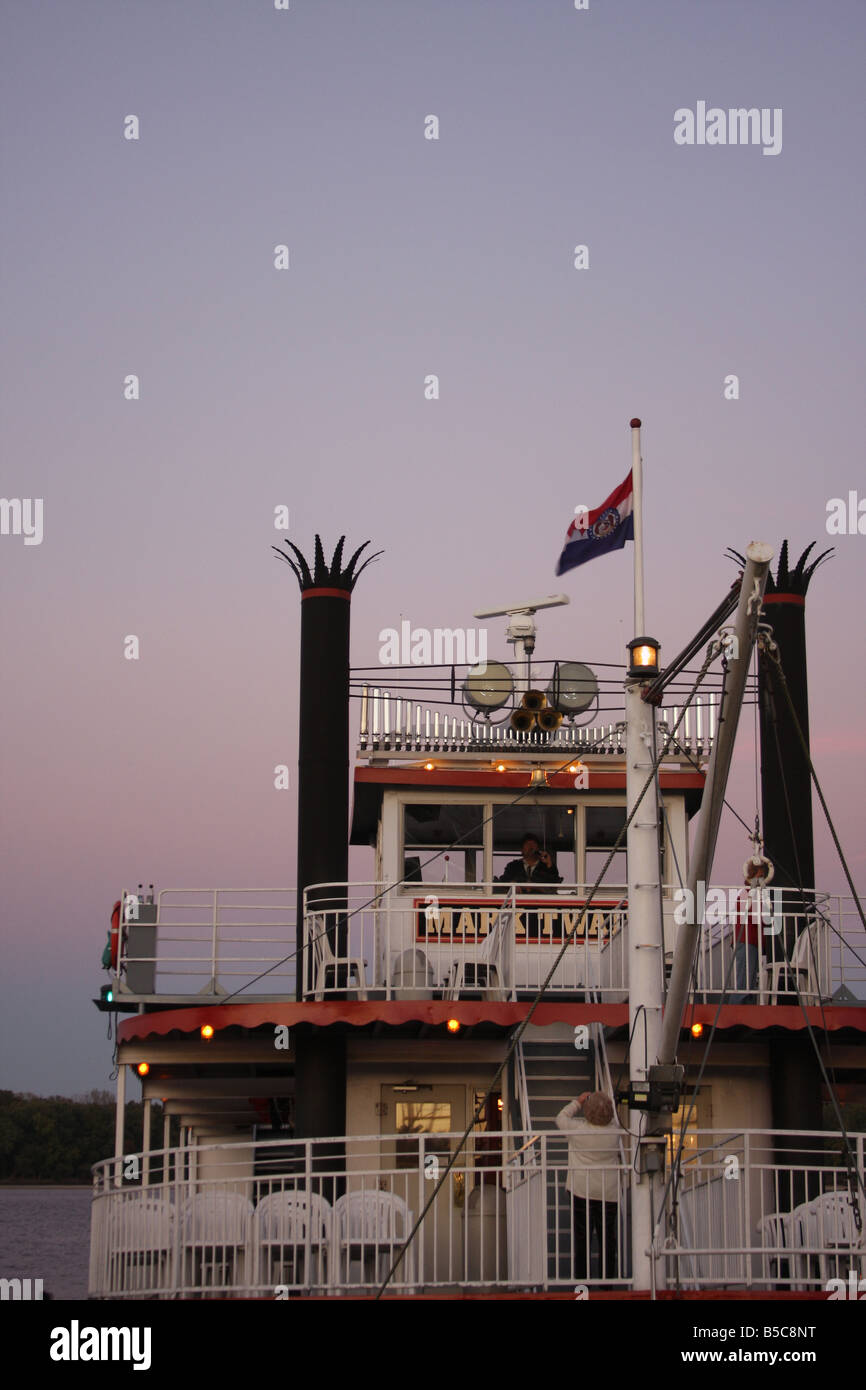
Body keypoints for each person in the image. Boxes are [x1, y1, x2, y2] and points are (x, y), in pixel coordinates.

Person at [556, 1090, 623, 1283]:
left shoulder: (578, 1131)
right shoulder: (615, 1134)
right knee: (607, 1240)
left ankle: (582, 1288)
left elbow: (561, 1117)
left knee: (582, 1240)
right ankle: (607, 1285)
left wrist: (578, 1102)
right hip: (608, 1192)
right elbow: (611, 1121)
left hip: (581, 1190)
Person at [731, 858, 769, 1003]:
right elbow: (756, 916)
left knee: (750, 977)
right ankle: (737, 1006)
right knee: (744, 978)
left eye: (762, 877)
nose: (761, 880)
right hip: (746, 940)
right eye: (759, 876)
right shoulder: (746, 894)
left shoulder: (751, 894)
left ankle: (746, 1003)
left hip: (751, 941)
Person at [496, 834, 562, 890]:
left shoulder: (545, 866)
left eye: (533, 844)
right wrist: (511, 884)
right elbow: (504, 881)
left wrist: (549, 863)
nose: (531, 847)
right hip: (517, 901)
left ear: (538, 849)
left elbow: (554, 883)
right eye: (527, 844)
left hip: (540, 901)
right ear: (522, 850)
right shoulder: (513, 866)